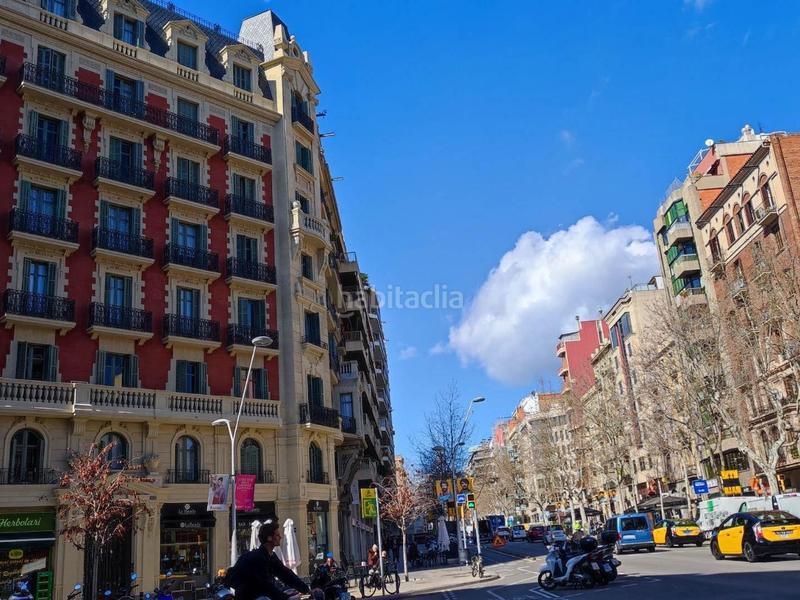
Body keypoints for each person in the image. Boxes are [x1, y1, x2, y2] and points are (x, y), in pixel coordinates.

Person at [224, 518, 311, 600]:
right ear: (269, 538)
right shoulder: (259, 558)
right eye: (277, 535)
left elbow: (285, 574)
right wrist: (285, 597)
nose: (280, 537)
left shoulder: (270, 556)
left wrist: (306, 589)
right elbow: (265, 585)